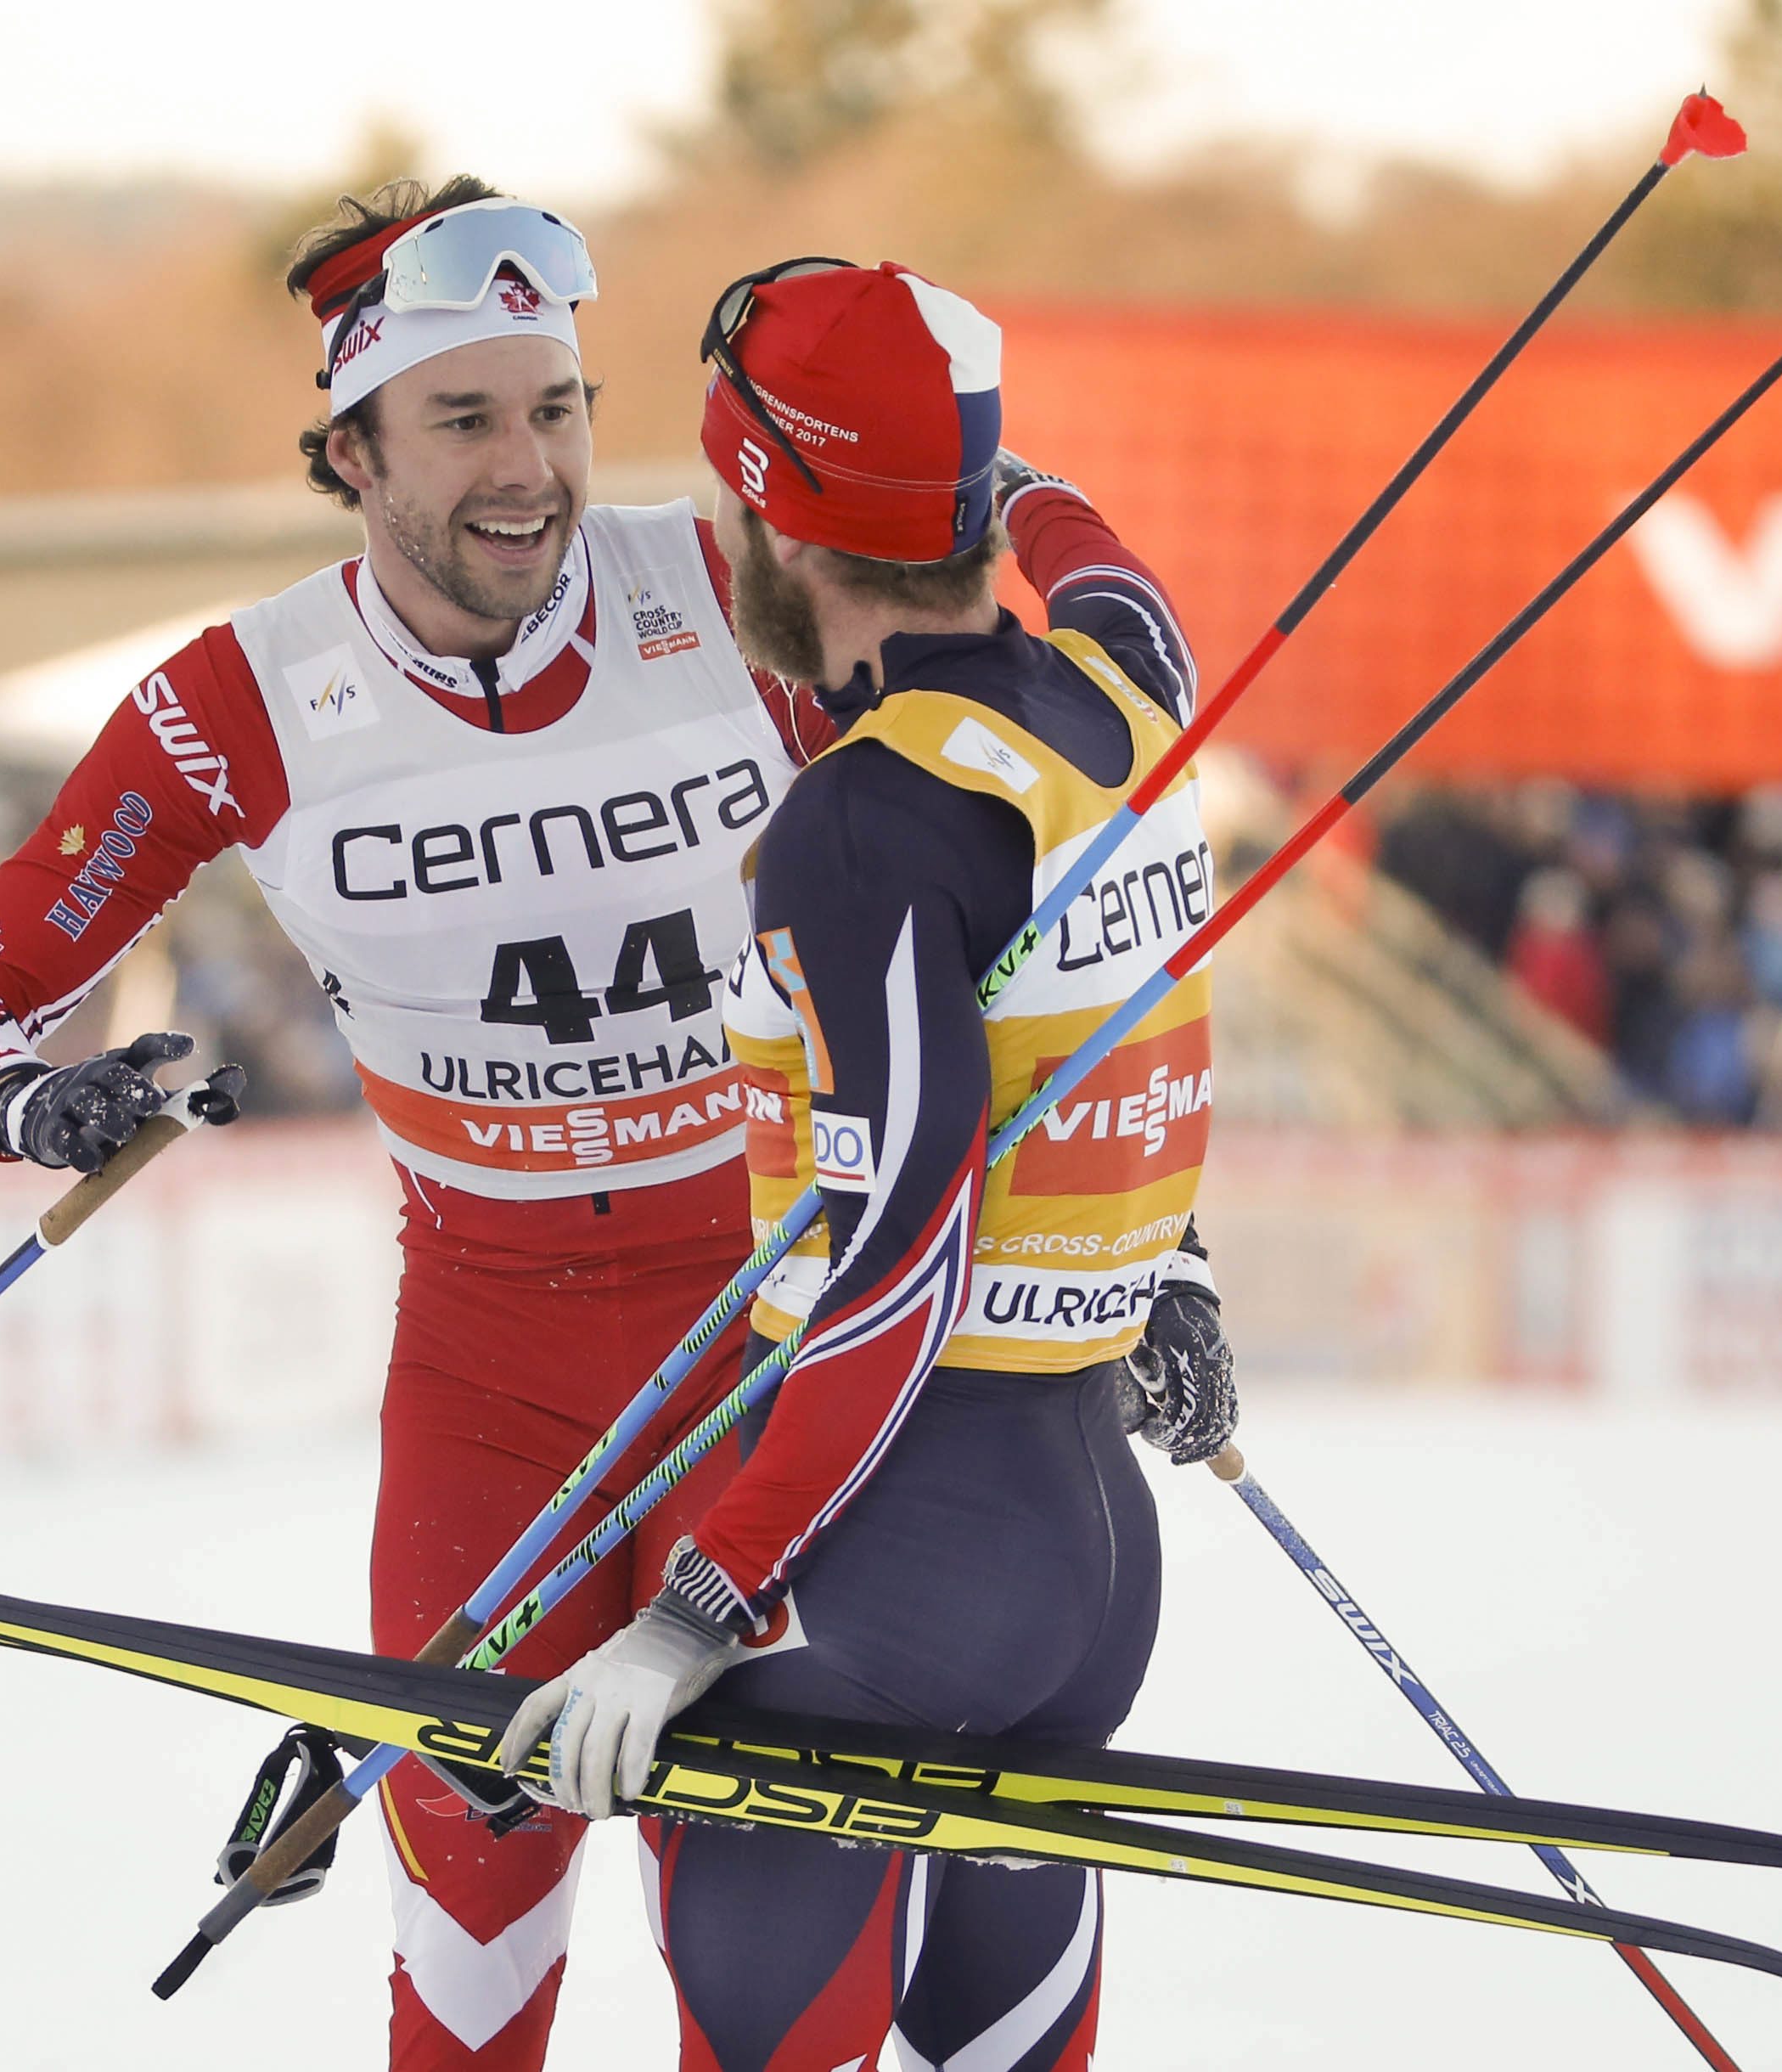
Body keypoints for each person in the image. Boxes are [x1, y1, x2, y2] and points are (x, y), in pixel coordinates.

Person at [0, 179, 836, 2070]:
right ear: (352, 448)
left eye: (556, 408)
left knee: (772, 1952)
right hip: (493, 1377)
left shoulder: (740, 599)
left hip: (771, 1351)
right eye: (467, 419)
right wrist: (44, 1100)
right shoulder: (237, 700)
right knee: (474, 1926)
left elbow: (1019, 863)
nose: (531, 469)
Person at [503, 259, 1240, 2072]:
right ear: (967, 510)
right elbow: (1102, 560)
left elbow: (898, 1241)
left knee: (759, 2012)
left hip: (907, 1563)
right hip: (1090, 1565)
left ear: (771, 517)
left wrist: (703, 1603)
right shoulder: (1128, 691)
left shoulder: (868, 819)